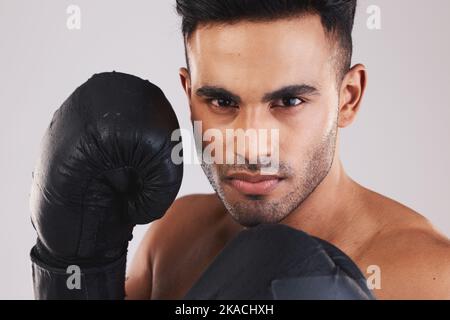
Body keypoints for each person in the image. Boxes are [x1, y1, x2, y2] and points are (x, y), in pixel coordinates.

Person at [124, 0, 450, 299]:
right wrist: (84, 251)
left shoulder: (430, 279)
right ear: (189, 94)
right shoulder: (175, 240)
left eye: (289, 102)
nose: (251, 149)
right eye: (222, 102)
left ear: (348, 97)